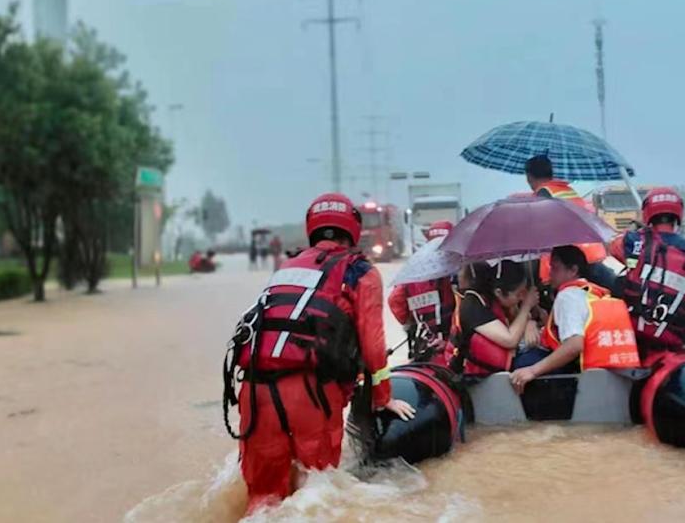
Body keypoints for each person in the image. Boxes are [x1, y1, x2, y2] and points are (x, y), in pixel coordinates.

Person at [223, 192, 415, 514]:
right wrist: (383, 398)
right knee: (317, 496)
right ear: (352, 228)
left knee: (262, 499)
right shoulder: (360, 272)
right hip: (311, 393)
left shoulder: (286, 267)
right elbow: (372, 345)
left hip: (254, 390)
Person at [509, 246, 640, 393]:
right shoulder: (592, 292)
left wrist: (532, 371)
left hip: (578, 370)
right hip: (610, 371)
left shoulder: (567, 296)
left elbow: (574, 345)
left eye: (555, 268)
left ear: (573, 270)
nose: (550, 273)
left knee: (523, 362)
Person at [610, 187, 685, 358]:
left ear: (646, 212)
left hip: (630, 336)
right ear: (678, 215)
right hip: (675, 342)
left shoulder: (632, 241)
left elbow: (614, 248)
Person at [524, 155, 617, 289]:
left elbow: (541, 231)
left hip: (572, 258)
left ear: (529, 177)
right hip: (592, 252)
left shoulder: (543, 193)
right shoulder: (565, 190)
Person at [446, 260, 540, 377]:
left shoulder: (499, 300)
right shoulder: (472, 306)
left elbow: (520, 321)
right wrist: (526, 306)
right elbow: (510, 340)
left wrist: (530, 323)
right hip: (477, 378)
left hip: (506, 368)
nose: (521, 297)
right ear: (499, 293)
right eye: (518, 294)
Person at [388, 221, 457, 361]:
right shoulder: (457, 272)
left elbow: (396, 303)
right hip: (453, 350)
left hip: (423, 349)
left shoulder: (413, 274)